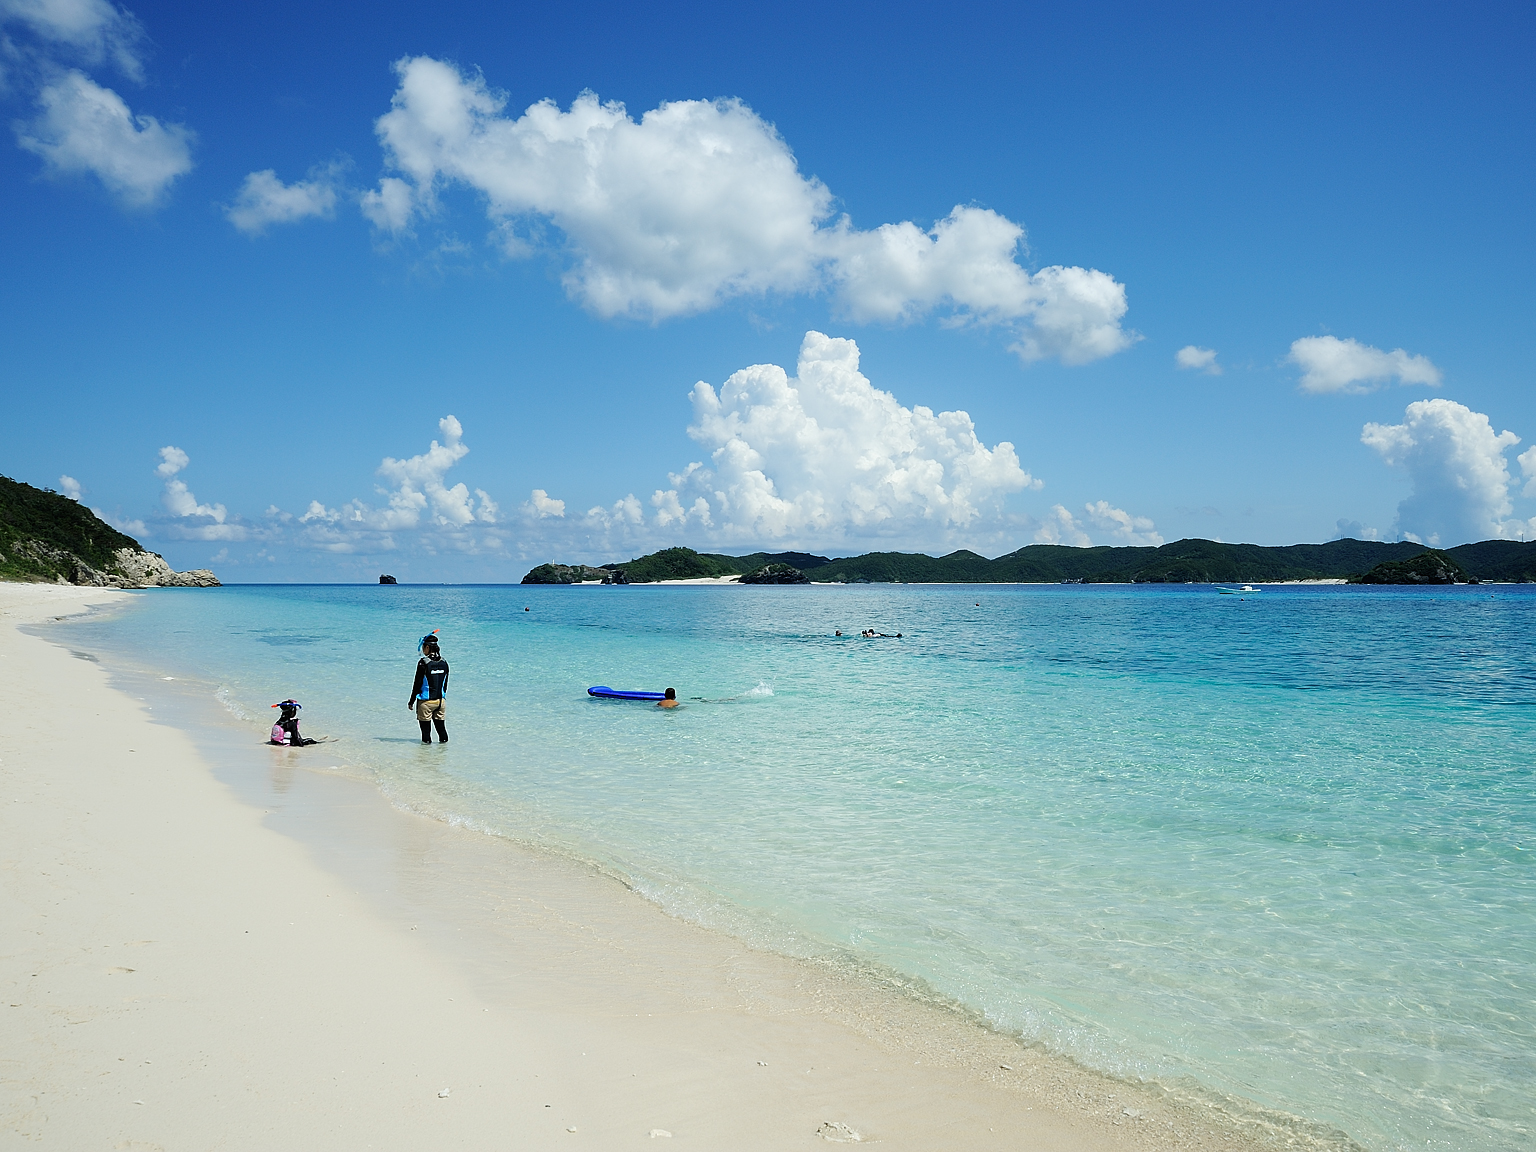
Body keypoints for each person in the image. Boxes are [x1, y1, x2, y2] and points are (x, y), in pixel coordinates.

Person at [409, 632, 450, 744]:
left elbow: (417, 684)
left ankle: (425, 755)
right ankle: (443, 752)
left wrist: (411, 701)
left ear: (427, 647)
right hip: (440, 702)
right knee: (442, 731)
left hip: (426, 703)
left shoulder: (423, 663)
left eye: (423, 648)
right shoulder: (444, 662)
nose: (423, 650)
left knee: (426, 735)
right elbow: (445, 684)